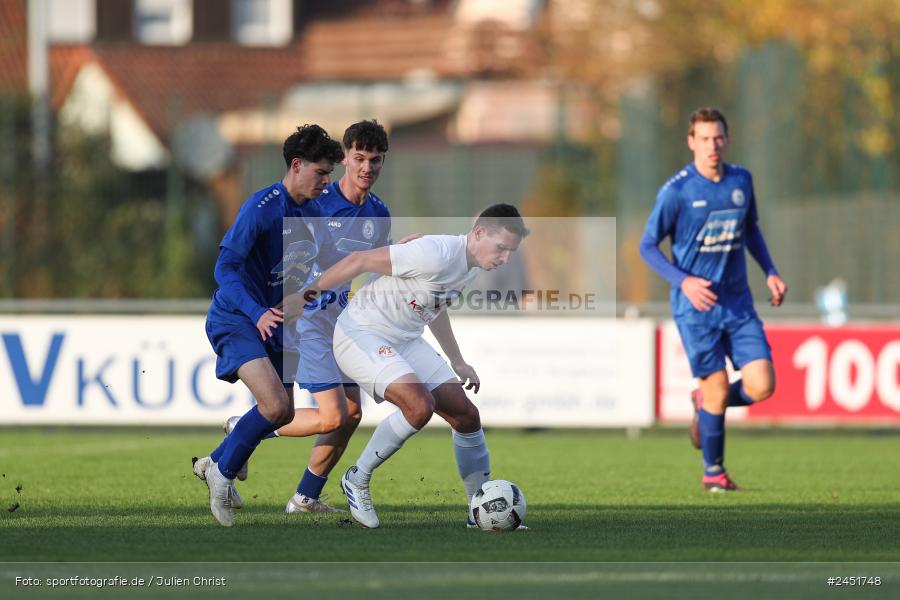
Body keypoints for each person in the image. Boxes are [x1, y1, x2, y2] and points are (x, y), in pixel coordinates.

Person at [285, 204, 529, 528]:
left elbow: (436, 308)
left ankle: (476, 510)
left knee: (466, 416)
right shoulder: (434, 252)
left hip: (405, 339)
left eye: (511, 252)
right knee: (418, 406)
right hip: (361, 332)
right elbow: (358, 261)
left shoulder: (469, 266)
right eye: (501, 248)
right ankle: (357, 477)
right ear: (479, 233)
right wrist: (303, 298)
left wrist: (458, 361)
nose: (505, 258)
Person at [224, 120, 413, 514]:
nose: (367, 168)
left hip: (343, 322)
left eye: (376, 160)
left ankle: (305, 497)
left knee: (352, 414)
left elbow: (370, 266)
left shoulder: (378, 212)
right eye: (359, 158)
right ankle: (246, 428)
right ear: (345, 159)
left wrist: (402, 257)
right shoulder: (316, 199)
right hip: (308, 319)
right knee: (332, 415)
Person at [192, 124, 344, 527]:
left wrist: (388, 254)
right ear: (296, 165)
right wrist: (256, 311)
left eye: (329, 174)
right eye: (321, 172)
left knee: (282, 413)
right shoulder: (262, 208)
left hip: (277, 322)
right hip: (238, 317)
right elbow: (224, 268)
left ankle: (216, 460)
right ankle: (221, 476)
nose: (326, 182)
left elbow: (334, 265)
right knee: (275, 405)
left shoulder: (313, 212)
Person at [639, 107, 788, 492]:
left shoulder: (741, 180)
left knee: (762, 385)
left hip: (738, 304)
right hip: (696, 308)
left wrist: (770, 271)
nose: (712, 145)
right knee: (717, 386)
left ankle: (704, 401)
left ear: (727, 139)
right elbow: (647, 246)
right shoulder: (676, 192)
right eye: (704, 139)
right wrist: (684, 280)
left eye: (718, 137)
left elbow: (750, 230)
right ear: (691, 142)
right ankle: (714, 473)